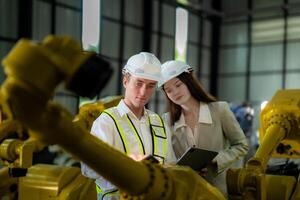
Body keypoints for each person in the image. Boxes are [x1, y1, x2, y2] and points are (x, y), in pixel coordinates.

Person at [81, 52, 176, 200]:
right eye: (139, 83)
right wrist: (126, 165)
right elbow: (88, 169)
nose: (144, 92)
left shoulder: (159, 123)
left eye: (151, 86)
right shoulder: (107, 122)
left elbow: (171, 164)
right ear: (126, 81)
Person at [159, 60, 249, 196]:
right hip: (185, 193)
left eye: (178, 85)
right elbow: (167, 159)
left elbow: (241, 145)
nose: (175, 92)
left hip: (216, 192)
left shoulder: (220, 110)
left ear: (189, 81)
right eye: (169, 90)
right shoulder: (166, 120)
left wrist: (217, 160)